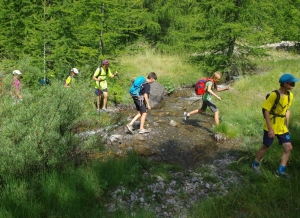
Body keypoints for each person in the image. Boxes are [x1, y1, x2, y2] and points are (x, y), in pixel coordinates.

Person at [252, 73, 299, 179]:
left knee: (288, 147)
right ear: (286, 84)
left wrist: (287, 126)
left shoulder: (290, 96)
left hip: (282, 127)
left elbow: (287, 111)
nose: (294, 85)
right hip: (272, 126)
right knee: (266, 146)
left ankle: (280, 171)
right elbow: (266, 111)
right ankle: (255, 164)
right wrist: (270, 129)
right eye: (292, 83)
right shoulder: (274, 95)